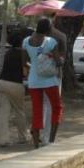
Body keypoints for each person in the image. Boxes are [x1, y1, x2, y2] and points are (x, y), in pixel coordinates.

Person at [23, 18, 63, 147]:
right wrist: (56, 60)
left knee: (37, 111)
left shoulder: (26, 41)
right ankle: (51, 140)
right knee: (56, 107)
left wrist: (36, 65)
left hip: (33, 81)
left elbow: (24, 62)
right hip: (50, 81)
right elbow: (58, 62)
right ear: (48, 29)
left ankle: (36, 145)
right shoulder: (51, 42)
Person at [0, 31, 29, 147]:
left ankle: (3, 139)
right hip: (15, 84)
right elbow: (25, 72)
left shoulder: (8, 52)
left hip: (1, 83)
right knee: (19, 111)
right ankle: (23, 136)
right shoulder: (23, 54)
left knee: (4, 111)